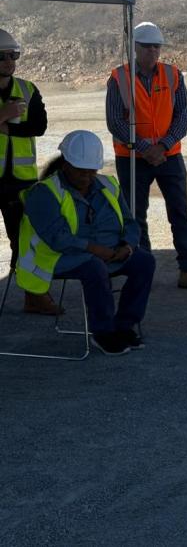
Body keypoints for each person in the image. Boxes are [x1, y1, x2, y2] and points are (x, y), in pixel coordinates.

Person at [18, 130, 155, 356]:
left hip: (106, 253)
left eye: (92, 171)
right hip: (57, 257)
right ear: (66, 165)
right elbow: (57, 237)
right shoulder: (44, 193)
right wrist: (95, 250)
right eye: (81, 171)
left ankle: (124, 326)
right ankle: (103, 332)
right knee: (94, 268)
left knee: (144, 262)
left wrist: (128, 246)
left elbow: (131, 223)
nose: (87, 177)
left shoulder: (108, 185)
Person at [106, 21, 187, 291]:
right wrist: (144, 148)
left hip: (169, 156)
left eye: (157, 46)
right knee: (135, 215)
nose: (153, 51)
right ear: (135, 48)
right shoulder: (119, 77)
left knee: (180, 212)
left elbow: (184, 117)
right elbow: (115, 122)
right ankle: (142, 270)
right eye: (147, 47)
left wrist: (162, 146)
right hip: (132, 158)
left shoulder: (173, 75)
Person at [0, 29, 61, 315]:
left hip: (20, 183)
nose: (9, 62)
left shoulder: (28, 89)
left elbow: (39, 126)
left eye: (13, 55)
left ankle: (33, 296)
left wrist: (8, 127)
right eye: (2, 56)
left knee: (25, 240)